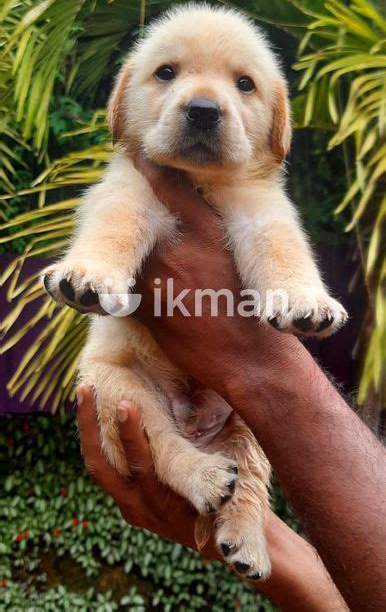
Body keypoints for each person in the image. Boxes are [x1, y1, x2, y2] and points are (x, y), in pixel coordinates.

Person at [77, 158, 386, 611]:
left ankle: (245, 521)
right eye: (166, 79)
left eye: (244, 83)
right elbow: (119, 218)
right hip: (139, 370)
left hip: (224, 398)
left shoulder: (257, 190)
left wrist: (293, 296)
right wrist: (99, 268)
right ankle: (185, 467)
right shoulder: (131, 178)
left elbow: (271, 237)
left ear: (277, 132)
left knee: (250, 433)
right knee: (107, 378)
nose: (204, 104)